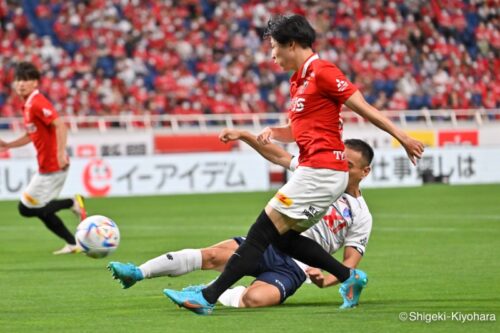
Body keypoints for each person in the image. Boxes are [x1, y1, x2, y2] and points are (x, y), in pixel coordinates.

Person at [163, 14, 424, 315]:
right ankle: (349, 277)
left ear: (292, 44)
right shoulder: (298, 81)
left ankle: (207, 297)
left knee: (259, 234)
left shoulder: (324, 71)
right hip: (317, 171)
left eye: (274, 47)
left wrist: (402, 136)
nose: (272, 55)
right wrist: (275, 132)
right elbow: (301, 130)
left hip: (321, 172)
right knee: (284, 239)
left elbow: (363, 107)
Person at [108, 131, 373, 309]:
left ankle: (210, 290)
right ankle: (137, 272)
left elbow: (351, 262)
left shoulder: (361, 215)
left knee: (254, 300)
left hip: (296, 269)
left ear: (365, 171)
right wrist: (245, 135)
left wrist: (325, 280)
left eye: (348, 165)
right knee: (211, 255)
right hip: (269, 243)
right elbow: (278, 154)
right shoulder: (319, 174)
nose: (341, 167)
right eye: (340, 160)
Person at [0, 62, 87, 255]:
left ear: (35, 83)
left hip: (53, 166)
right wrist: (8, 145)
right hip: (46, 166)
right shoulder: (28, 105)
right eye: (18, 80)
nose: (21, 84)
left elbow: (60, 126)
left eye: (26, 80)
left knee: (26, 208)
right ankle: (73, 244)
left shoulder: (38, 102)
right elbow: (32, 135)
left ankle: (71, 202)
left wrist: (59, 153)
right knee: (42, 211)